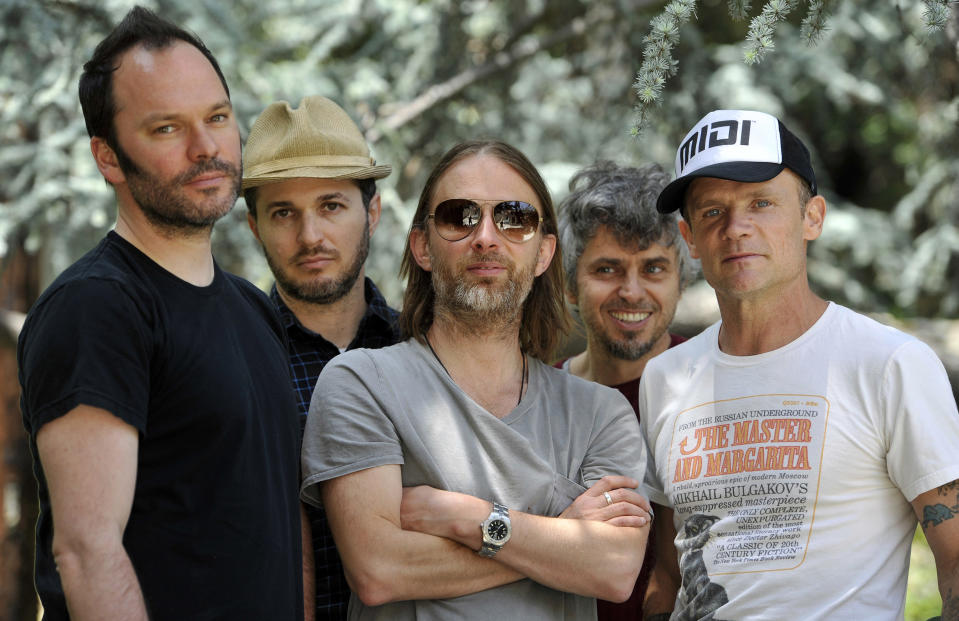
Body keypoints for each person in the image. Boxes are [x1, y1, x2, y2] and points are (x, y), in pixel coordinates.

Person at [17, 7, 302, 619]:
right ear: (109, 158)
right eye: (167, 129)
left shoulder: (255, 312)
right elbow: (88, 551)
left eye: (218, 118)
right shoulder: (96, 308)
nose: (207, 148)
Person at [300, 140, 653, 620]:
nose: (486, 237)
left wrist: (464, 518)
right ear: (422, 245)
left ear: (545, 251)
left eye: (514, 218)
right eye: (458, 216)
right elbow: (379, 570)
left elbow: (612, 569)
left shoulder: (601, 414)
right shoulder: (361, 384)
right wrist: (560, 536)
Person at [640, 109, 959, 620]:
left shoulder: (889, 365)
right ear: (689, 237)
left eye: (761, 203)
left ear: (812, 217)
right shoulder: (665, 377)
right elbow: (668, 573)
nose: (736, 228)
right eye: (712, 212)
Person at [243, 95, 400, 620]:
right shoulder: (232, 360)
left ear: (371, 212)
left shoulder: (425, 349)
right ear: (253, 227)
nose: (310, 236)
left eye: (331, 206)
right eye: (283, 212)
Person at [555, 160, 695, 620]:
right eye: (608, 269)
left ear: (680, 281)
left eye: (653, 268)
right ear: (571, 286)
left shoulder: (718, 389)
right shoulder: (538, 400)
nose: (631, 292)